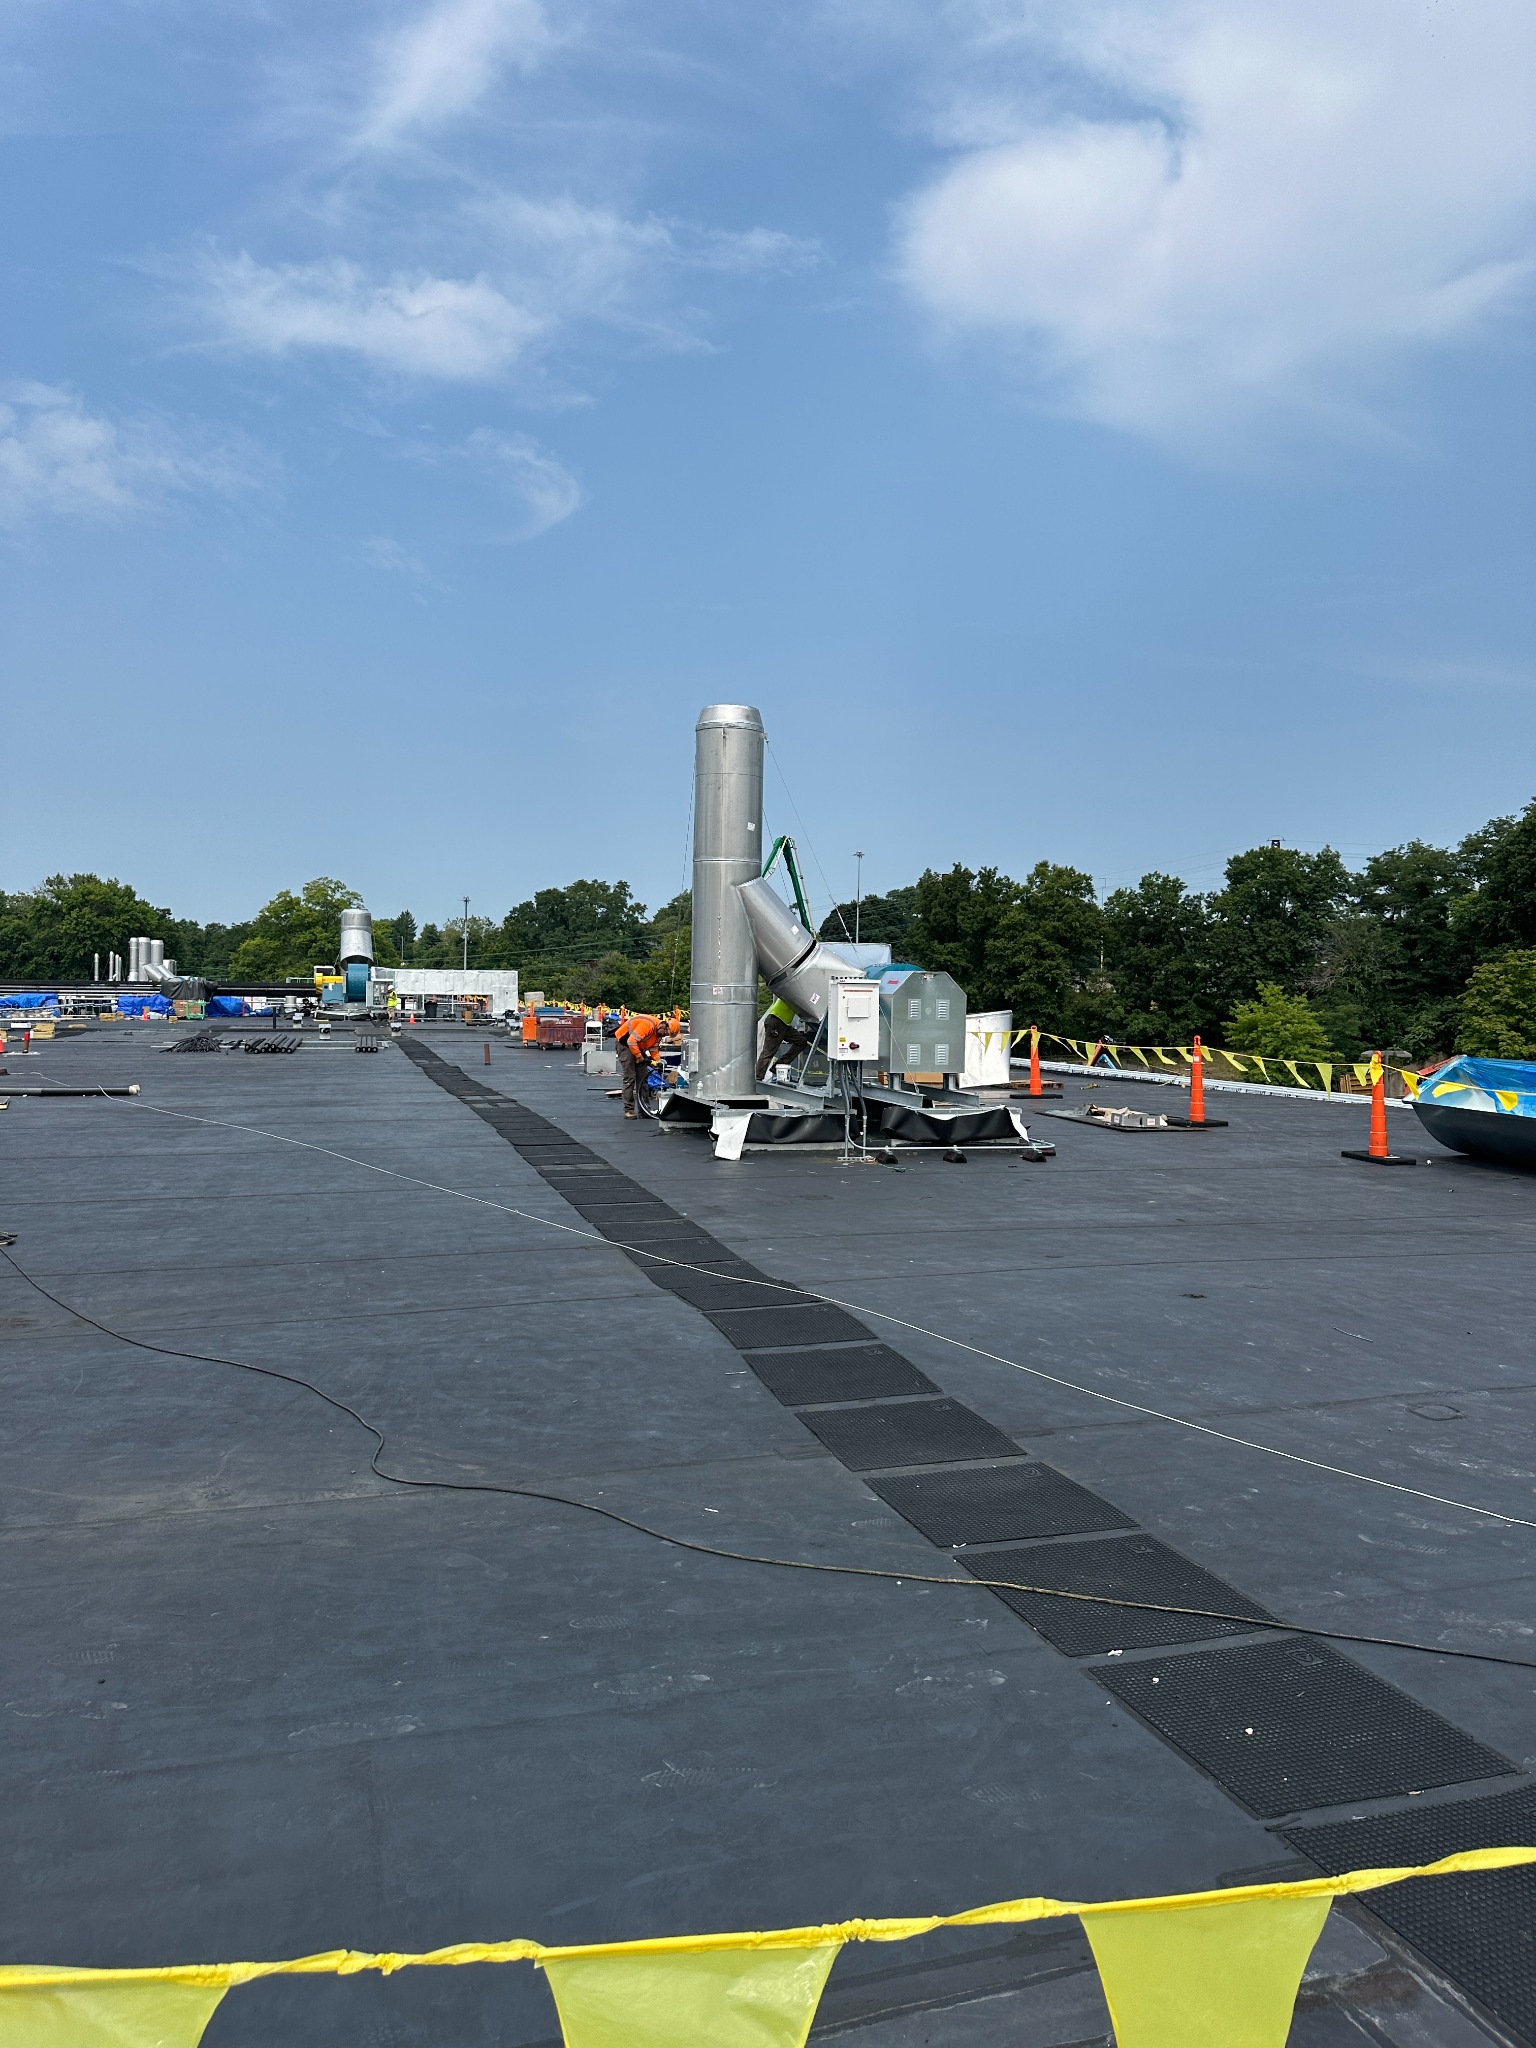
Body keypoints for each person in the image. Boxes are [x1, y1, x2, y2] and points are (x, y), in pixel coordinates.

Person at [615, 1010, 662, 1117]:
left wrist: (658, 1061)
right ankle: (629, 1110)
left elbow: (653, 1049)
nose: (664, 1036)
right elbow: (631, 1041)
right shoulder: (648, 1025)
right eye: (667, 1033)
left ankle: (644, 1110)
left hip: (637, 1046)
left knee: (643, 1077)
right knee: (630, 1077)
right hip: (624, 1043)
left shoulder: (659, 1032)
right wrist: (640, 1058)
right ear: (663, 1027)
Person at [757, 996, 810, 1079]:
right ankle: (758, 1077)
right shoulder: (793, 992)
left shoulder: (798, 994)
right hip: (776, 1021)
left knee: (801, 1042)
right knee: (769, 1051)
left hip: (785, 1024)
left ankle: (779, 1065)